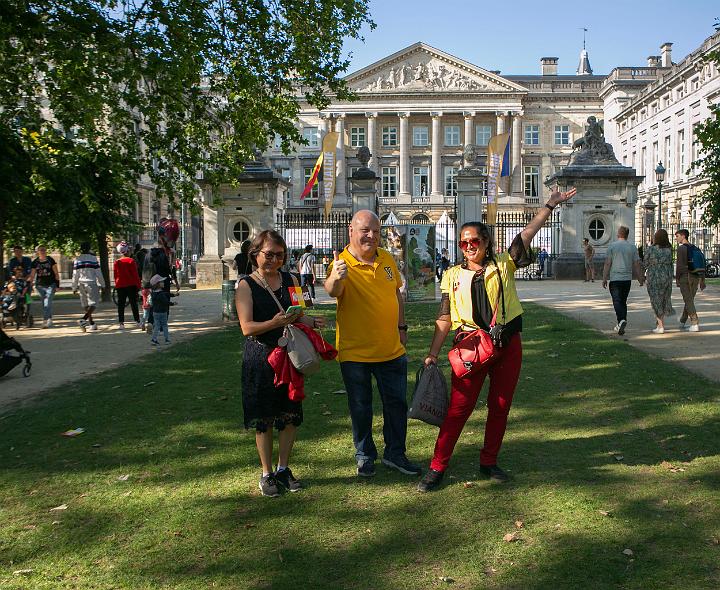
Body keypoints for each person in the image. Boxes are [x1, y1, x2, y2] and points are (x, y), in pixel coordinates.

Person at [416, 187, 577, 492]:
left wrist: (549, 206)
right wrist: (433, 353)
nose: (468, 247)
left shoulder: (503, 265)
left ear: (486, 242)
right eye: (463, 243)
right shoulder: (451, 274)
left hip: (507, 343)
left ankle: (488, 461)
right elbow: (444, 316)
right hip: (469, 348)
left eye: (474, 241)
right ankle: (437, 467)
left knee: (500, 405)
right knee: (459, 409)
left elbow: (526, 234)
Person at [325, 210, 421, 478]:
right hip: (355, 352)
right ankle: (365, 454)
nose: (371, 236)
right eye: (366, 230)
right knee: (361, 406)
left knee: (396, 404)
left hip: (391, 349)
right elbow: (332, 289)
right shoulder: (340, 263)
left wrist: (402, 327)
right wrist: (336, 276)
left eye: (376, 231)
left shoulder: (387, 258)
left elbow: (397, 294)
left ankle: (395, 453)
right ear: (351, 230)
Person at [235, 229, 326, 497]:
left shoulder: (292, 279)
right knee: (264, 418)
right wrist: (272, 323)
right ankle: (267, 473)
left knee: (289, 415)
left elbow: (299, 314)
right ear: (255, 254)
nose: (274, 259)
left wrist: (311, 321)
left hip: (288, 356)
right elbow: (246, 327)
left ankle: (283, 468)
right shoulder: (246, 284)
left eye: (280, 255)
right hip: (261, 357)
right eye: (269, 254)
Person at [602, 226, 644, 336]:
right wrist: (640, 278)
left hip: (615, 278)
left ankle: (621, 320)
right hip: (627, 278)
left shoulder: (612, 246)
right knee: (623, 301)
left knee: (616, 301)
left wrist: (604, 278)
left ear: (618, 234)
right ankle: (621, 322)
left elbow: (607, 263)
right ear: (627, 235)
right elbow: (637, 264)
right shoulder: (632, 247)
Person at [641, 229, 675, 334]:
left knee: (656, 300)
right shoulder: (669, 250)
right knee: (664, 299)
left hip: (654, 276)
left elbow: (645, 263)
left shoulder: (651, 249)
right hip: (666, 276)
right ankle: (659, 322)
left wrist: (641, 275)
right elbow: (670, 264)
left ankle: (660, 326)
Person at [675, 228, 706, 332]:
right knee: (689, 300)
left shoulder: (681, 249)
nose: (676, 238)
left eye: (677, 236)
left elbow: (679, 266)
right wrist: (702, 280)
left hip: (685, 277)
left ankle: (694, 322)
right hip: (696, 277)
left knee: (688, 300)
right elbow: (702, 264)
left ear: (683, 236)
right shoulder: (695, 248)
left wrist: (677, 278)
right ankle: (683, 320)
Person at [71, 242, 105, 332]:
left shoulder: (77, 259)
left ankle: (92, 323)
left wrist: (74, 287)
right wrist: (103, 284)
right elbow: (98, 273)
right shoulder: (93, 259)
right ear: (89, 248)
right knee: (94, 304)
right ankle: (83, 319)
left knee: (86, 304)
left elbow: (75, 275)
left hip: (81, 283)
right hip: (91, 283)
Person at [29, 245, 60, 328]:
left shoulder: (50, 260)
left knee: (47, 301)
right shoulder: (35, 262)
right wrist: (30, 284)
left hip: (51, 284)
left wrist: (57, 285)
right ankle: (49, 318)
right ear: (37, 252)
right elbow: (32, 275)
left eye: (44, 250)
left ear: (46, 251)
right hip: (39, 286)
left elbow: (56, 273)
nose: (43, 251)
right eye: (41, 250)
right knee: (44, 303)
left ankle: (45, 320)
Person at [113, 241, 142, 329]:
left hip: (120, 285)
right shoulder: (131, 261)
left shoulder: (117, 262)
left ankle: (121, 323)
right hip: (131, 285)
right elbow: (135, 275)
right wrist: (139, 286)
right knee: (133, 304)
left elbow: (115, 275)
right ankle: (137, 321)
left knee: (121, 305)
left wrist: (117, 284)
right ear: (127, 251)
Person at [149, 273, 177, 345]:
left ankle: (154, 339)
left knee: (157, 325)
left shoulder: (153, 293)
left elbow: (166, 294)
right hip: (162, 311)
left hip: (155, 312)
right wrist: (173, 303)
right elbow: (166, 301)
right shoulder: (161, 294)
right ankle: (167, 339)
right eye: (161, 282)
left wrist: (174, 295)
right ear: (158, 284)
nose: (163, 282)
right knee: (164, 325)